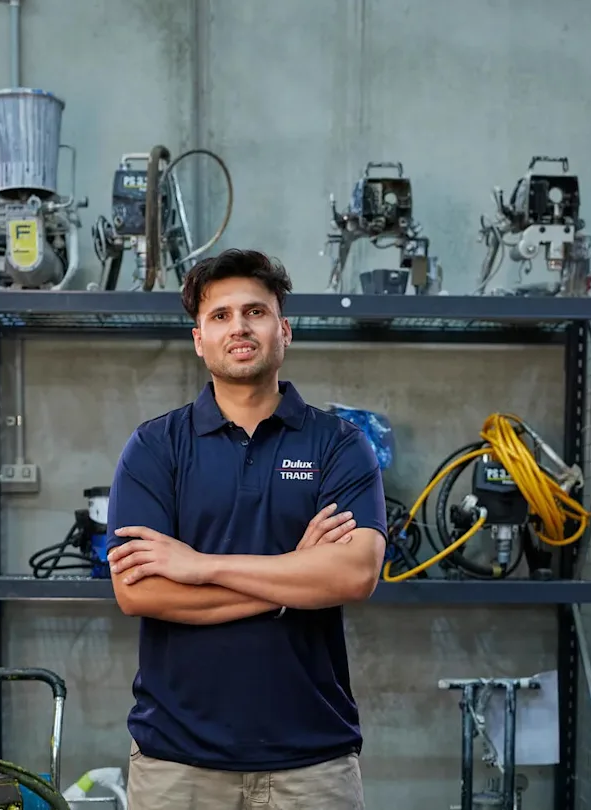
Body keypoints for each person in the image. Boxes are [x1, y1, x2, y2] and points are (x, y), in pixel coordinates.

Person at [104, 248, 388, 809]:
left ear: (284, 330)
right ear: (199, 339)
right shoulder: (156, 448)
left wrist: (200, 566)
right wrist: (294, 580)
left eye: (255, 312)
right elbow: (139, 591)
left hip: (314, 760)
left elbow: (355, 575)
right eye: (221, 315)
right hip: (177, 763)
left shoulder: (339, 445)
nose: (239, 326)